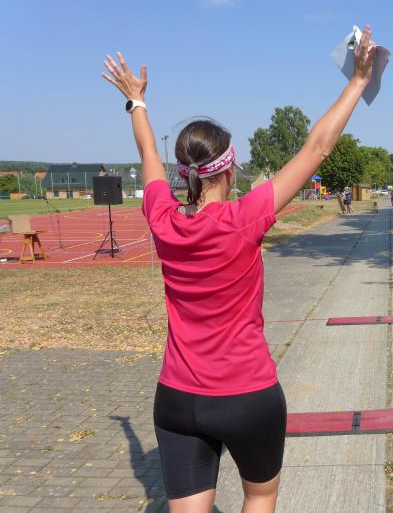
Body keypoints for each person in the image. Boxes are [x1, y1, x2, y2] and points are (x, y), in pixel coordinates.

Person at [100, 26, 378, 513]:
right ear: (229, 171)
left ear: (186, 173)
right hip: (247, 395)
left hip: (177, 399)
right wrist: (358, 81)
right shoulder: (245, 218)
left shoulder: (163, 218)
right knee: (259, 497)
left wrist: (136, 102)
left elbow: (148, 156)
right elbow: (317, 148)